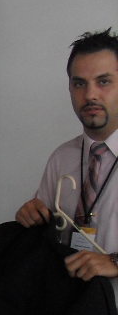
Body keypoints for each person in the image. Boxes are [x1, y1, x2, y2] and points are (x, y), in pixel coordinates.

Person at [15, 29, 118, 282]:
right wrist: (30, 215)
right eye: (79, 83)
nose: (90, 95)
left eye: (104, 82)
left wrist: (114, 261)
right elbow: (47, 233)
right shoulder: (62, 158)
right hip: (70, 301)